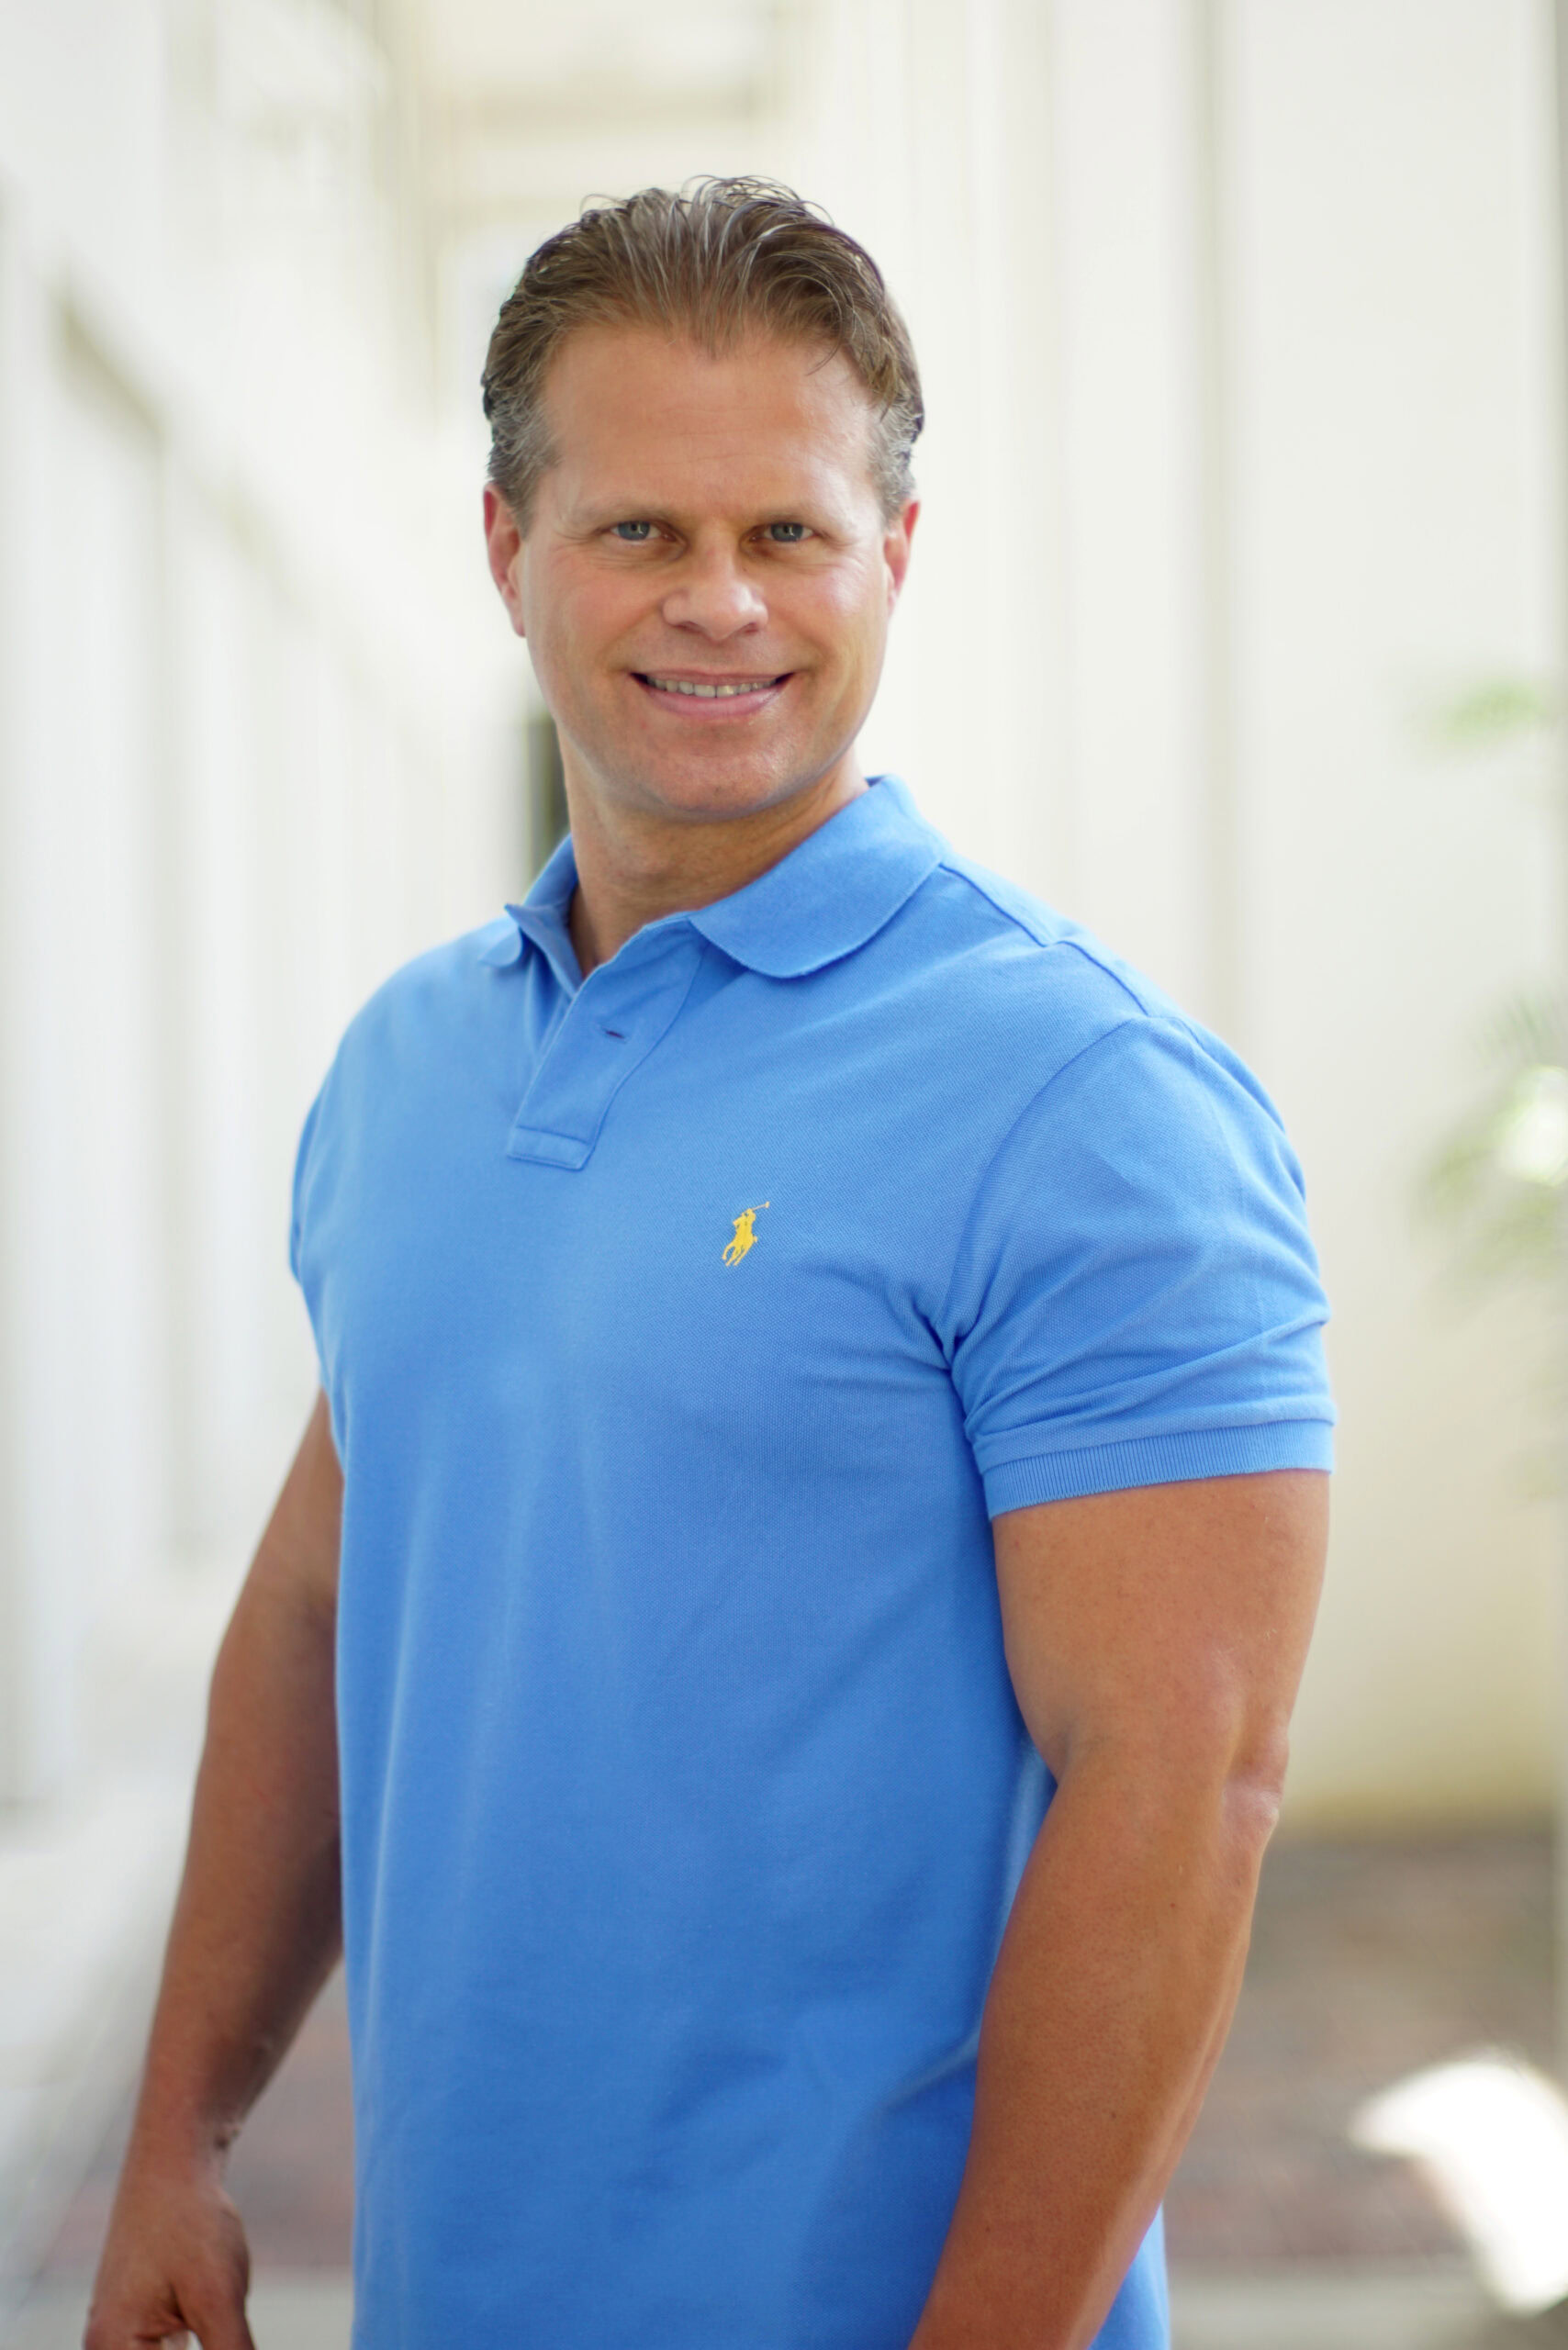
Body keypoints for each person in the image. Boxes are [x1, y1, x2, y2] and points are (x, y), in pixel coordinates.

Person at [85, 178, 1332, 2350]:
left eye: (786, 532)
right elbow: (317, 1604)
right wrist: (180, 2136)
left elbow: (1180, 1785)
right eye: (638, 531)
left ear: (895, 558)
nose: (720, 604)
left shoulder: (1082, 1098)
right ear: (505, 551)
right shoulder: (408, 1068)